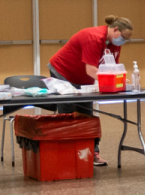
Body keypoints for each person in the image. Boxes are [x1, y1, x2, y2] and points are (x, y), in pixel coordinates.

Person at [48, 15, 133, 166]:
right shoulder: (93, 37)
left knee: (87, 114)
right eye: (124, 37)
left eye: (127, 39)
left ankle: (92, 153)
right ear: (115, 30)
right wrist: (111, 80)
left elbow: (112, 67)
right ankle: (65, 153)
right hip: (63, 71)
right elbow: (91, 70)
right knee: (68, 112)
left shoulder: (115, 41)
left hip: (83, 77)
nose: (124, 41)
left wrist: (119, 80)